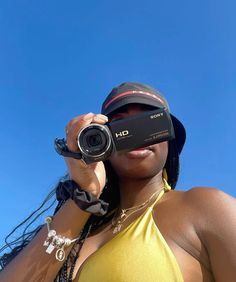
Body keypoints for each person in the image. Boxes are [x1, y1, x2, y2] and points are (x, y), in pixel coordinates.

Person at [0, 81, 235, 282]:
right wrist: (83, 195)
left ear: (168, 138)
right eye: (120, 126)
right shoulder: (83, 227)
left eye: (148, 122)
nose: (134, 136)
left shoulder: (205, 207)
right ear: (101, 142)